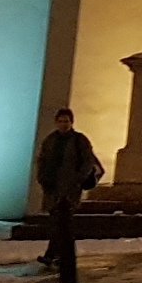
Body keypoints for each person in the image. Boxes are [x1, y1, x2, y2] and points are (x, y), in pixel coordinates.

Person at [33, 107, 102, 266]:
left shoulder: (79, 140)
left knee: (63, 222)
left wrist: (78, 178)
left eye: (66, 121)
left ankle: (52, 255)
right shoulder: (50, 140)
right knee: (57, 223)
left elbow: (87, 161)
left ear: (71, 122)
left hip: (70, 188)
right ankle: (60, 255)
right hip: (52, 187)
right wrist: (43, 178)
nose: (63, 124)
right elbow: (42, 160)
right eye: (61, 121)